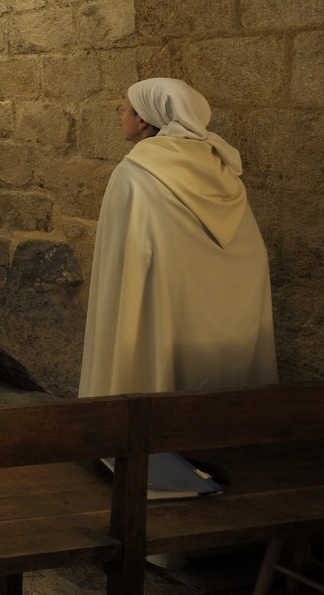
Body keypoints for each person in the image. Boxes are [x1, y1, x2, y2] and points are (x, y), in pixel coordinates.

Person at [79, 78, 277, 397]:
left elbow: (124, 271)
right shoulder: (220, 169)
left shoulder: (134, 175)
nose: (121, 116)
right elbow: (248, 252)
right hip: (222, 333)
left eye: (123, 109)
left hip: (166, 324)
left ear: (142, 119)